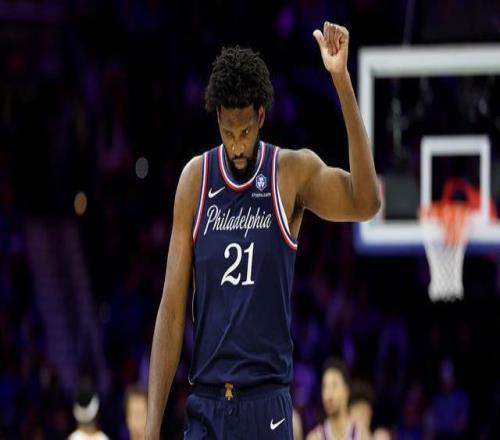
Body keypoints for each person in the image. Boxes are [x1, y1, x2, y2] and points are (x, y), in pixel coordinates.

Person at [146, 21, 380, 440]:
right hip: (207, 400)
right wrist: (150, 427)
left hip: (267, 402)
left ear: (261, 116)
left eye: (245, 132)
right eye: (228, 133)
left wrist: (341, 81)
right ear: (218, 119)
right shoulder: (195, 180)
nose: (237, 145)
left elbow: (366, 202)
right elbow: (172, 310)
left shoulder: (289, 173)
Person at [306, 358, 363, 440]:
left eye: (334, 386)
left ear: (346, 390)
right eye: (325, 387)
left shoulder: (362, 435)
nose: (328, 395)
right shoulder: (314, 437)